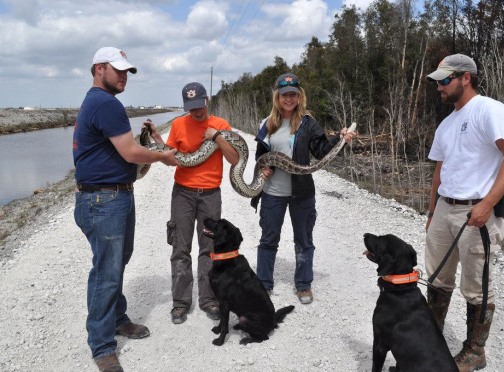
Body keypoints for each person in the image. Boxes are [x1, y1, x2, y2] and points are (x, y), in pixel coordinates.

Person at [73, 47, 179, 372]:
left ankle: (118, 319)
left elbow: (123, 150)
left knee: (116, 264)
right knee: (106, 272)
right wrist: (163, 155)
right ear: (98, 68)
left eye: (126, 72)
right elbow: (131, 152)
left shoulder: (99, 102)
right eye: (117, 70)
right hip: (104, 201)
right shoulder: (106, 103)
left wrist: (151, 143)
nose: (123, 76)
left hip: (113, 197)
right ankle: (102, 346)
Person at [424, 54, 504, 372]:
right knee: (438, 278)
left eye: (444, 80)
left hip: (477, 211)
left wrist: (487, 203)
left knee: (476, 284)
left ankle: (474, 351)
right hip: (445, 208)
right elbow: (441, 170)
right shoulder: (447, 123)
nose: (439, 87)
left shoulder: (490, 110)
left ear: (465, 77)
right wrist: (431, 212)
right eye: (438, 82)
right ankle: (430, 339)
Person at [252, 73, 356, 305]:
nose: (289, 99)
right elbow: (261, 157)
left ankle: (303, 285)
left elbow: (320, 151)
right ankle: (264, 284)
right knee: (268, 239)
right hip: (272, 193)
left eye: (293, 95)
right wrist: (263, 170)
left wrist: (340, 139)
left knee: (304, 240)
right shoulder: (266, 123)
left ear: (299, 97)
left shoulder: (308, 122)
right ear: (277, 97)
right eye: (284, 95)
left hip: (302, 194)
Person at [166, 82, 239, 324]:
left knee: (209, 248)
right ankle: (180, 303)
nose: (196, 112)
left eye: (199, 106)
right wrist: (156, 140)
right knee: (180, 247)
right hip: (182, 194)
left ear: (206, 100)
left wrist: (217, 137)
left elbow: (234, 159)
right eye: (191, 108)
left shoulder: (221, 125)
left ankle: (209, 299)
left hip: (210, 194)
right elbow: (170, 158)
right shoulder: (178, 125)